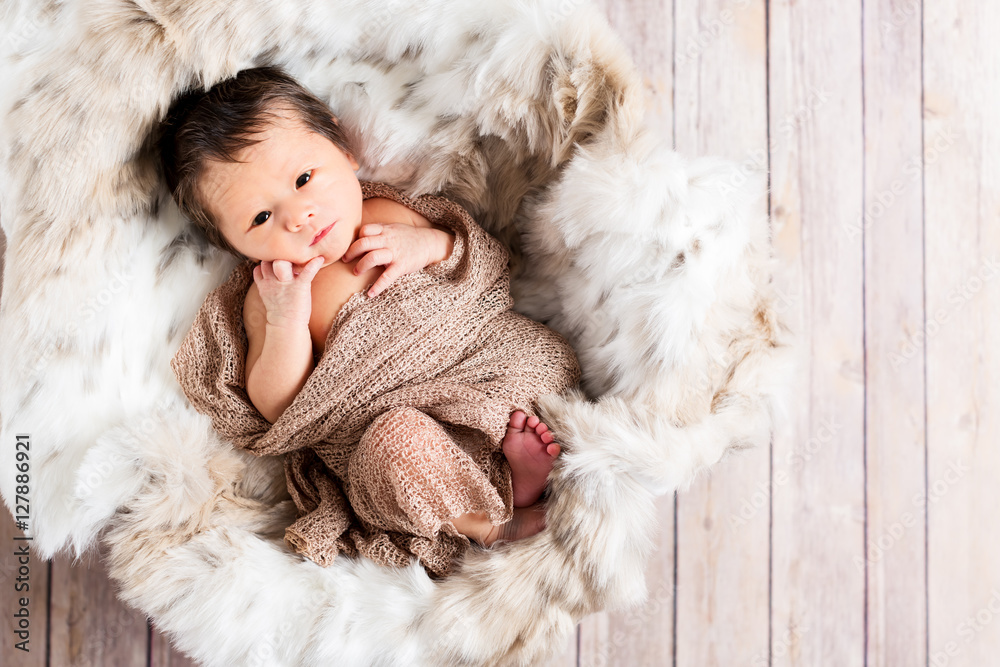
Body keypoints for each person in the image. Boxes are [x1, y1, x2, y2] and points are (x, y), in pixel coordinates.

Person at [161, 66, 580, 574]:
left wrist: (428, 244)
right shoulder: (267, 297)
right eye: (261, 218)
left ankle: (512, 472)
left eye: (303, 179)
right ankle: (490, 521)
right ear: (235, 246)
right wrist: (286, 320)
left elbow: (481, 260)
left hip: (480, 363)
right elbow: (278, 406)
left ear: (344, 151)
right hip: (388, 420)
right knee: (393, 450)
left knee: (548, 352)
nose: (298, 216)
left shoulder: (389, 211)